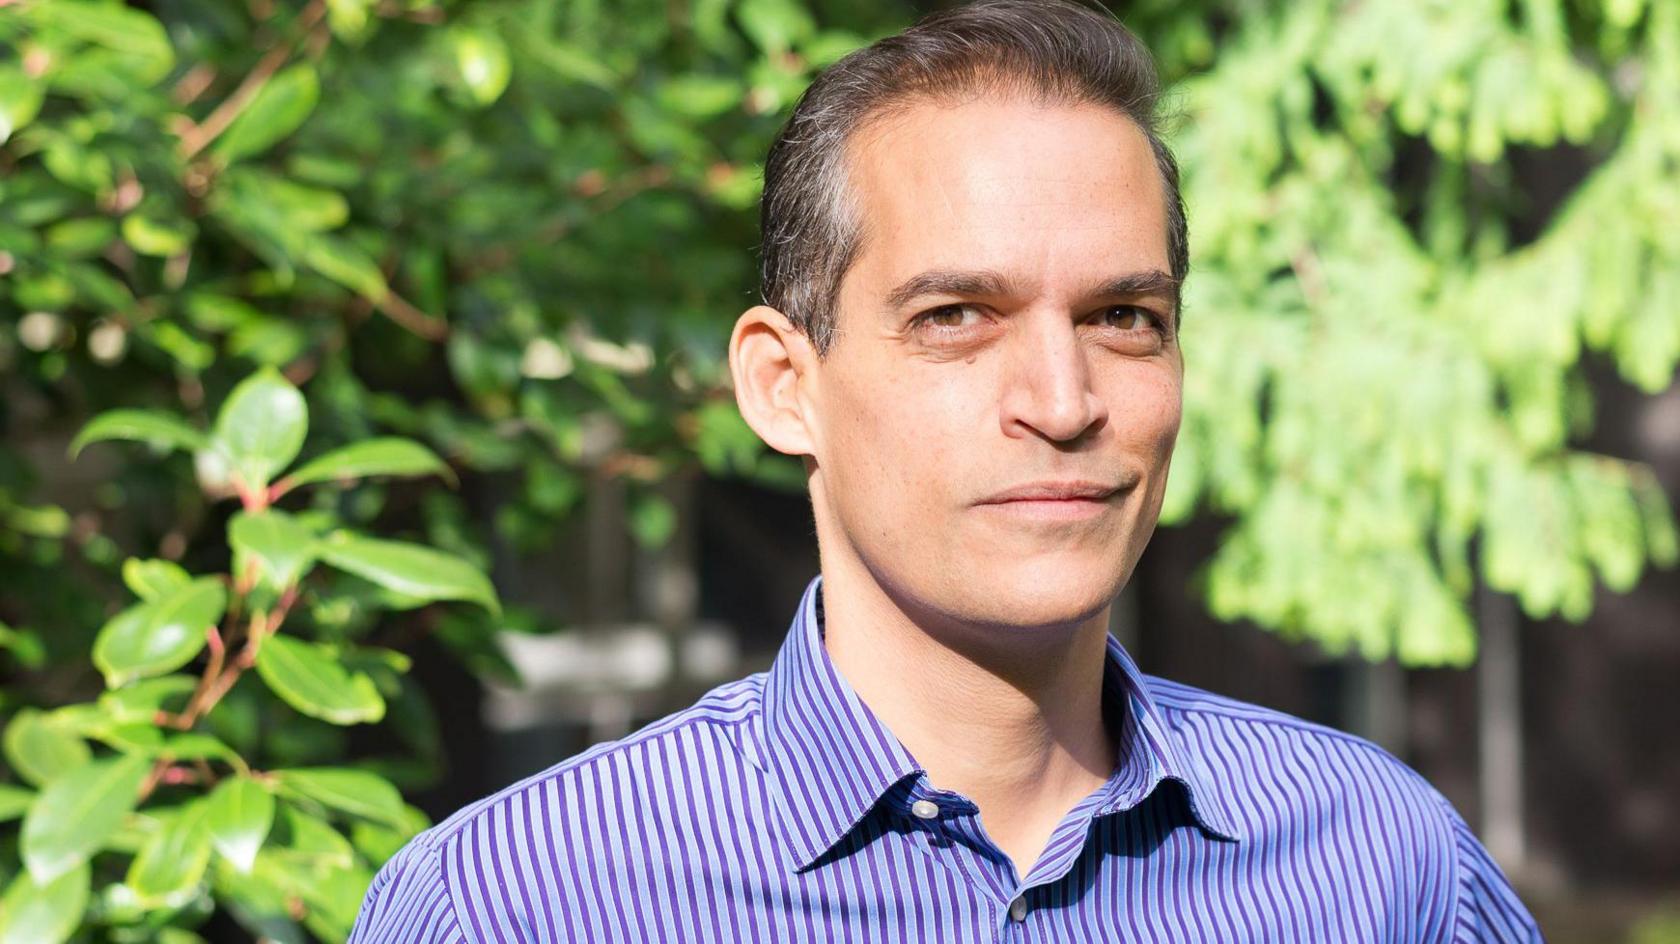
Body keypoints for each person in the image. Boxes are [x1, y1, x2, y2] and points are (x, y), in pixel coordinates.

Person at [350, 1, 1543, 940]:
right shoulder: (521, 903)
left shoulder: (1380, 865)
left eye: (1125, 315)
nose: (1065, 402)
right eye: (957, 316)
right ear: (784, 383)